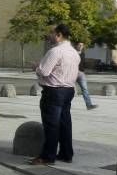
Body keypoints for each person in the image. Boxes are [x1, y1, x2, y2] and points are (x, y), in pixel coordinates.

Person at [29, 24, 80, 165]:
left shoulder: (55, 51)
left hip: (53, 91)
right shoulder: (74, 52)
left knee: (51, 125)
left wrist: (36, 67)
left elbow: (44, 71)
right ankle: (66, 153)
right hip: (68, 90)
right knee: (64, 123)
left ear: (58, 35)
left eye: (51, 33)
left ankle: (47, 156)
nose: (48, 36)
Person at [74, 42, 97, 110]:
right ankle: (63, 104)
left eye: (82, 45)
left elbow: (83, 64)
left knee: (85, 89)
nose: (81, 46)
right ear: (76, 45)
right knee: (67, 89)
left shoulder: (83, 54)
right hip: (72, 73)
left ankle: (89, 105)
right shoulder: (72, 53)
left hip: (81, 73)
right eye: (79, 45)